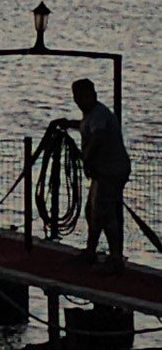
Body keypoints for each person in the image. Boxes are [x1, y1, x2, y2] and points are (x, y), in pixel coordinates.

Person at [60, 78, 131, 273]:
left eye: (82, 96)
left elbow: (98, 136)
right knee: (93, 211)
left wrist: (87, 159)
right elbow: (86, 126)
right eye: (76, 96)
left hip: (111, 170)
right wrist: (69, 124)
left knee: (104, 213)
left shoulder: (99, 115)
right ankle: (92, 252)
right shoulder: (91, 115)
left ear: (91, 95)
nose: (78, 101)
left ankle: (114, 258)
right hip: (104, 171)